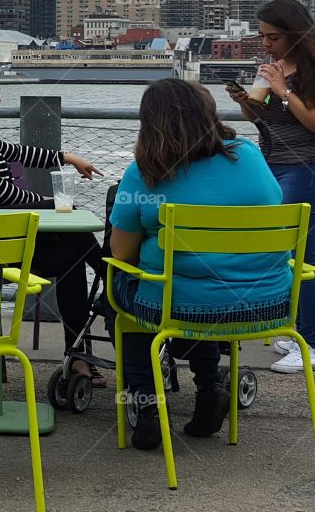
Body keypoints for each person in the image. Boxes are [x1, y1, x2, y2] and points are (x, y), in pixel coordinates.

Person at [107, 79, 288, 449]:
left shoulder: (144, 172)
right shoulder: (249, 155)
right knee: (196, 292)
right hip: (266, 304)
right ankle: (209, 387)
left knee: (125, 300)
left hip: (182, 303)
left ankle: (147, 406)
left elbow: (120, 253)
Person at [0, 61, 105, 382]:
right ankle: (111, 292)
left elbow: (20, 152)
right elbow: (1, 192)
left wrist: (68, 158)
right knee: (75, 249)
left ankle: (81, 349)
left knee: (73, 253)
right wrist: (53, 203)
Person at [227, 0, 315, 374]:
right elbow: (263, 119)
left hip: (311, 170)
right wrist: (246, 102)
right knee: (283, 255)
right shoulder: (274, 68)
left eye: (273, 37)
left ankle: (312, 344)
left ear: (296, 35)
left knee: (307, 257)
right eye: (263, 36)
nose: (265, 44)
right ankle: (297, 331)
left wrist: (284, 91)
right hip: (273, 167)